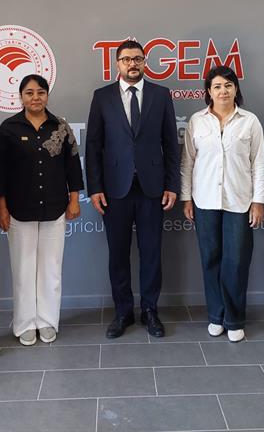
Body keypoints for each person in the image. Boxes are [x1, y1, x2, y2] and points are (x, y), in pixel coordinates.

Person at [85, 39, 180, 338]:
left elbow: (171, 144)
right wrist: (95, 188)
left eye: (137, 58)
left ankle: (150, 310)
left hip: (152, 188)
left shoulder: (161, 95)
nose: (132, 64)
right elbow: (93, 146)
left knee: (151, 253)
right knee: (118, 254)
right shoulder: (102, 97)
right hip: (115, 189)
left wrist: (172, 185)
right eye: (126, 59)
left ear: (144, 61)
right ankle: (123, 312)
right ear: (117, 63)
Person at [0, 74, 83, 346]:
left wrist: (74, 200)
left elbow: (73, 167)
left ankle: (47, 321)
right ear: (21, 97)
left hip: (55, 208)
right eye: (29, 93)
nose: (35, 97)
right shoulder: (8, 129)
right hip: (19, 209)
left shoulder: (61, 127)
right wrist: (2, 208)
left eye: (40, 92)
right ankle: (25, 324)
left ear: (47, 95)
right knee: (23, 270)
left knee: (51, 269)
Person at [181, 66, 264, 342]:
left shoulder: (249, 121)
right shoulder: (197, 121)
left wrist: (258, 201)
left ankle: (234, 319)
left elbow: (259, 163)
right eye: (217, 86)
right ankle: (216, 316)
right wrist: (186, 198)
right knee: (211, 260)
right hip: (204, 200)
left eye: (228, 85)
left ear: (236, 89)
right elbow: (187, 162)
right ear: (208, 91)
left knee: (237, 261)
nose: (223, 91)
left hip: (239, 202)